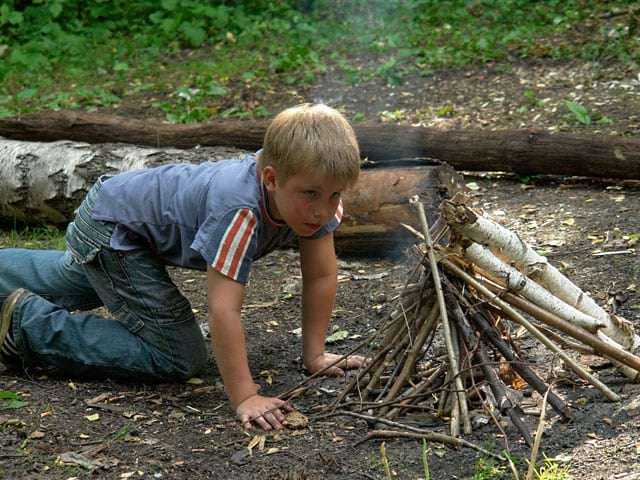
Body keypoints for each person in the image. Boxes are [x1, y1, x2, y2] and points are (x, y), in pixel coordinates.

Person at [0, 103, 366, 431]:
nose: (322, 209)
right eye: (311, 194)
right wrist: (244, 397)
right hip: (114, 231)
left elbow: (320, 275)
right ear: (271, 179)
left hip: (115, 216)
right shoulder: (239, 211)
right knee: (178, 355)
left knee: (66, 280)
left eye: (334, 194)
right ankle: (25, 326)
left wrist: (315, 354)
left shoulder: (318, 203)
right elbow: (224, 308)